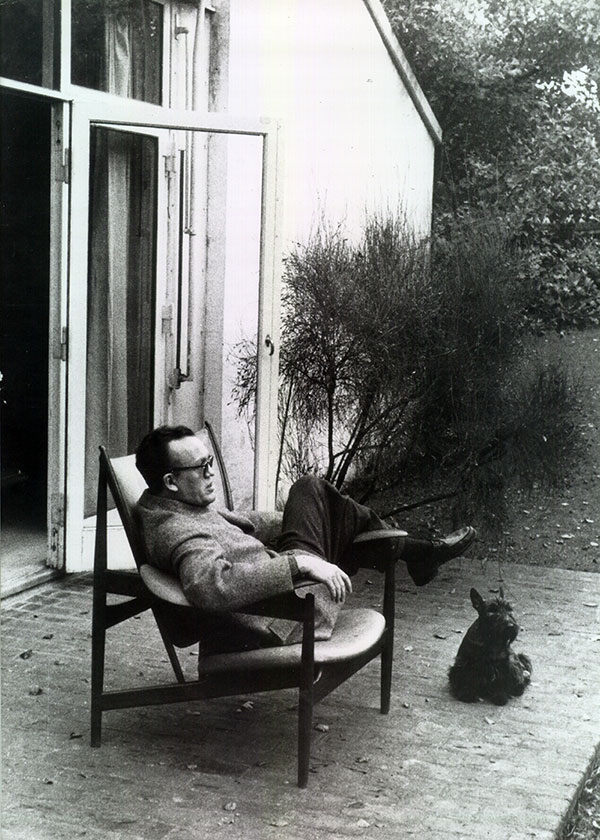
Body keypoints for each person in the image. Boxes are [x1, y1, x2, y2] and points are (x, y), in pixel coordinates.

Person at [135, 425, 476, 653]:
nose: (211, 473)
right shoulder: (176, 529)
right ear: (171, 480)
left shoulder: (173, 505)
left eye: (211, 462)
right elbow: (211, 586)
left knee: (315, 497)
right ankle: (415, 553)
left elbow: (243, 527)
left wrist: (307, 519)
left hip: (285, 598)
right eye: (202, 466)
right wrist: (300, 562)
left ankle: (414, 552)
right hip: (291, 612)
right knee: (310, 488)